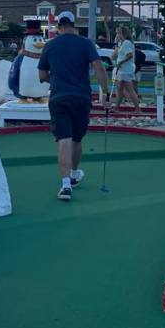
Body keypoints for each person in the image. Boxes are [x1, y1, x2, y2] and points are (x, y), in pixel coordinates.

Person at [38, 11, 111, 201]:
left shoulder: (50, 45)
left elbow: (42, 76)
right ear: (73, 24)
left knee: (64, 139)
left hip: (59, 96)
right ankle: (74, 174)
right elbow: (99, 67)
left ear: (59, 26)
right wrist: (106, 93)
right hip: (81, 97)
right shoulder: (85, 43)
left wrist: (56, 79)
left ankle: (65, 186)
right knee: (77, 139)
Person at [111, 26, 140, 112]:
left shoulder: (127, 43)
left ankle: (137, 109)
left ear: (123, 34)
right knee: (119, 89)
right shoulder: (122, 43)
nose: (117, 35)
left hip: (126, 69)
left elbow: (130, 55)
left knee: (130, 89)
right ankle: (116, 108)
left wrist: (121, 62)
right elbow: (114, 56)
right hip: (122, 70)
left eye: (118, 33)